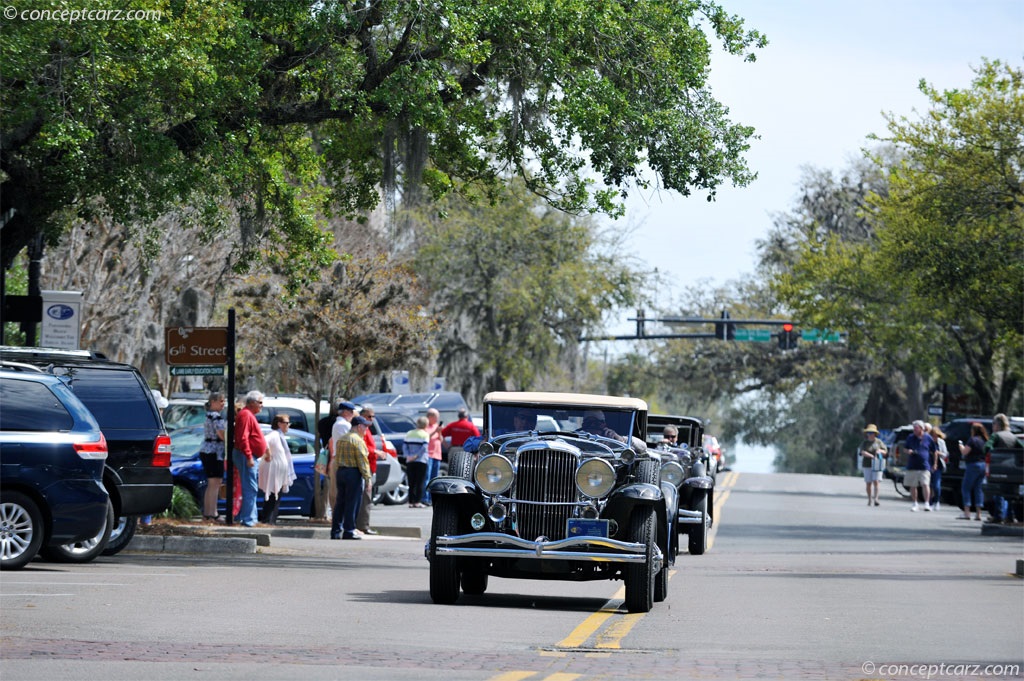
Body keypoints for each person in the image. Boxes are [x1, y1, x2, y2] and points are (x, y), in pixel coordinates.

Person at [330, 415, 372, 540]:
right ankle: (349, 530)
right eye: (365, 426)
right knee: (352, 503)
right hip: (353, 472)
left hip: (341, 471)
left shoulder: (342, 439)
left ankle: (335, 530)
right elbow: (362, 461)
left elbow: (336, 456)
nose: (366, 429)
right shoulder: (358, 440)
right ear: (359, 426)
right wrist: (367, 478)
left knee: (340, 503)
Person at [232, 390, 267, 527]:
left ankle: (244, 516)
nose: (261, 406)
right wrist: (248, 456)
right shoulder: (246, 415)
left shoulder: (248, 414)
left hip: (247, 455)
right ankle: (248, 519)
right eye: (260, 403)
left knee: (249, 487)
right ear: (252, 403)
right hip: (245, 455)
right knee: (250, 488)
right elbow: (243, 437)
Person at [259, 414, 297, 525]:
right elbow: (264, 441)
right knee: (272, 496)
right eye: (286, 423)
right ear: (279, 424)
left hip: (279, 471)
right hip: (273, 470)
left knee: (275, 497)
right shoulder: (275, 434)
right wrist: (268, 453)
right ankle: (267, 520)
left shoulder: (281, 436)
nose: (288, 425)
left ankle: (270, 520)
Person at [985, 413, 1022, 524]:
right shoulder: (1013, 436)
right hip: (1013, 470)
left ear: (997, 424)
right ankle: (1009, 517)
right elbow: (1021, 448)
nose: (993, 426)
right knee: (1011, 494)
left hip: (999, 467)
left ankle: (998, 516)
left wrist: (991, 455)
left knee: (998, 492)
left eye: (993, 424)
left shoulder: (996, 435)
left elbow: (987, 447)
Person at [356, 405, 386, 535]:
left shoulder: (367, 429)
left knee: (367, 497)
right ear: (362, 416)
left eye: (373, 416)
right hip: (365, 468)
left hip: (370, 467)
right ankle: (363, 526)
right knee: (366, 497)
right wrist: (376, 451)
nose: (372, 419)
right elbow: (362, 449)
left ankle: (362, 525)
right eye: (369, 416)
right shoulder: (361, 430)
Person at [198, 392, 227, 523]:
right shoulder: (216, 417)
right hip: (214, 452)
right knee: (215, 483)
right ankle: (213, 513)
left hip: (207, 450)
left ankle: (208, 513)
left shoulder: (208, 415)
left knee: (212, 484)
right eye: (221, 401)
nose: (223, 404)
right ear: (213, 402)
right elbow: (221, 435)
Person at [958, 422, 988, 521]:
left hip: (973, 465)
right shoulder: (985, 440)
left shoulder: (972, 440)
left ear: (973, 431)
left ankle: (967, 513)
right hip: (983, 465)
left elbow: (965, 452)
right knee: (978, 489)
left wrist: (961, 446)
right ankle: (978, 514)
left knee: (966, 488)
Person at [902, 420, 934, 512]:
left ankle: (927, 503)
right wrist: (909, 451)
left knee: (925, 484)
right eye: (914, 428)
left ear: (921, 429)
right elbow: (905, 448)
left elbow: (934, 450)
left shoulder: (928, 438)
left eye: (916, 428)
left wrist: (934, 463)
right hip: (912, 465)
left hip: (924, 465)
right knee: (913, 485)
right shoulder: (910, 437)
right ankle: (915, 503)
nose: (914, 430)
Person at [403, 416, 430, 508]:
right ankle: (417, 502)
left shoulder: (409, 433)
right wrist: (416, 456)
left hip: (410, 461)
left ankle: (410, 502)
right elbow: (424, 448)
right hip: (421, 460)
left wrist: (408, 456)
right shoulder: (425, 434)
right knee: (420, 482)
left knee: (411, 482)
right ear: (425, 424)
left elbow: (404, 446)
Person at [858, 424, 887, 506]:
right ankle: (869, 498)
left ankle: (876, 498)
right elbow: (862, 452)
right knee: (868, 483)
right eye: (869, 432)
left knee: (876, 481)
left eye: (872, 432)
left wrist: (880, 451)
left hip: (877, 463)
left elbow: (885, 451)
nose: (870, 434)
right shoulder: (865, 443)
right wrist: (871, 456)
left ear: (875, 434)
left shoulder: (879, 442)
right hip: (867, 464)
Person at [423, 408, 443, 506]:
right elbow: (426, 437)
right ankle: (425, 497)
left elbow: (441, 440)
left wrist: (439, 433)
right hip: (429, 454)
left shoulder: (436, 426)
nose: (437, 418)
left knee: (434, 478)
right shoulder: (426, 426)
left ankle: (432, 498)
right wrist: (435, 431)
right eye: (436, 416)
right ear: (430, 417)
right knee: (427, 477)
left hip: (437, 454)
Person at [929, 425, 948, 511]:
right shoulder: (928, 441)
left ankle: (937, 501)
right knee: (929, 485)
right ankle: (929, 502)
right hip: (928, 464)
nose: (934, 437)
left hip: (938, 466)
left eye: (935, 435)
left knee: (936, 485)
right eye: (932, 435)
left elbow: (945, 454)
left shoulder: (941, 442)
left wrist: (938, 453)